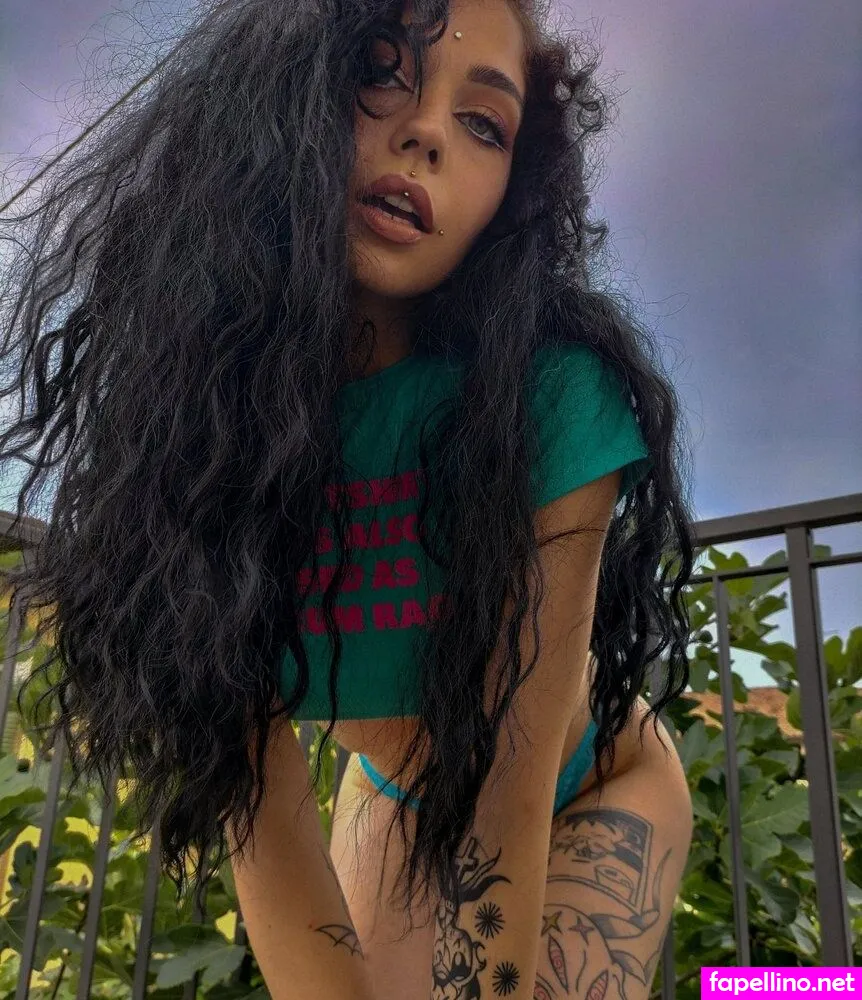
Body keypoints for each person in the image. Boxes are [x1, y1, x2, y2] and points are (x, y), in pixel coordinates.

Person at [0, 0, 696, 997]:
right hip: (389, 794)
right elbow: (257, 792)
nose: (426, 132)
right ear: (276, 98)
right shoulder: (203, 430)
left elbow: (507, 780)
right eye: (380, 70)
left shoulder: (549, 400)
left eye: (483, 122)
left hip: (583, 779)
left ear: (512, 191)